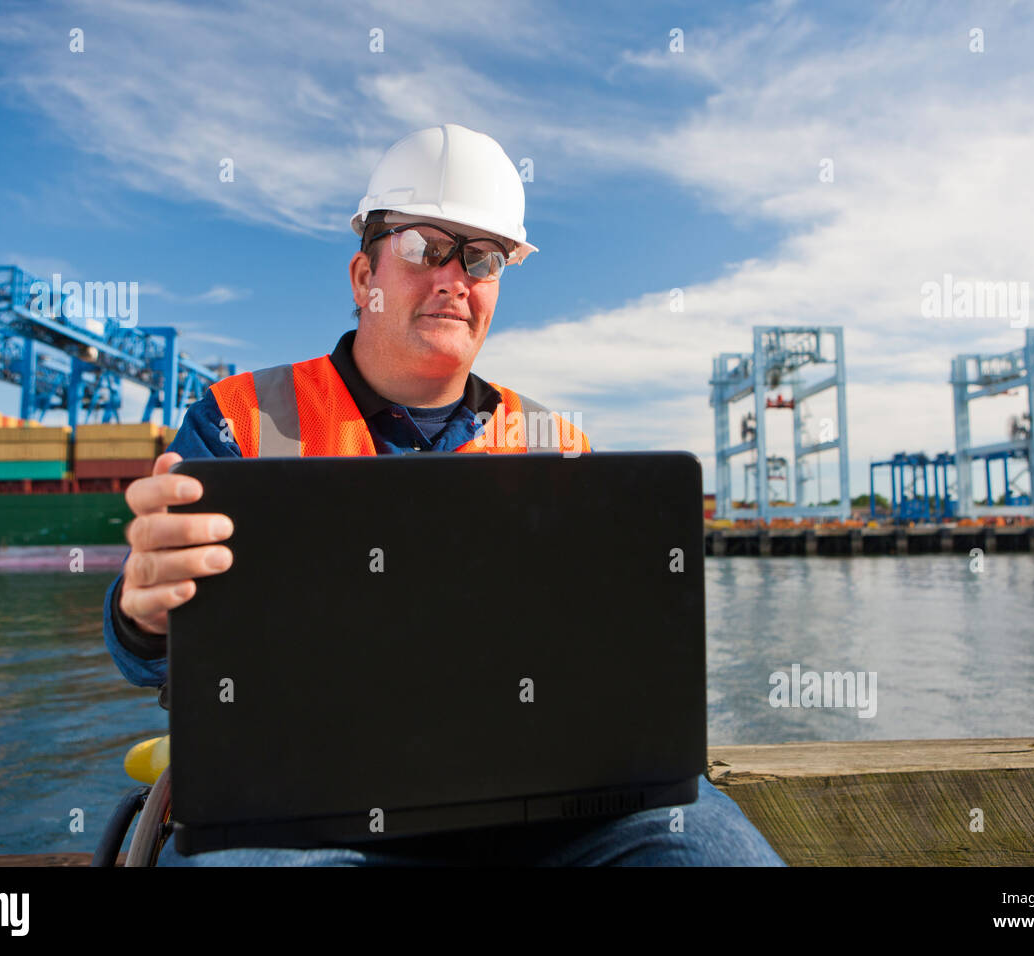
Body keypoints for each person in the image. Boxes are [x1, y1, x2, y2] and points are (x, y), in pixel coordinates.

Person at [101, 123, 786, 867]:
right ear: (365, 276)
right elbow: (152, 650)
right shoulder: (240, 422)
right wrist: (142, 612)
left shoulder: (558, 448)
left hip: (545, 806)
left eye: (483, 258)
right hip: (301, 811)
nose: (454, 277)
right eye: (427, 247)